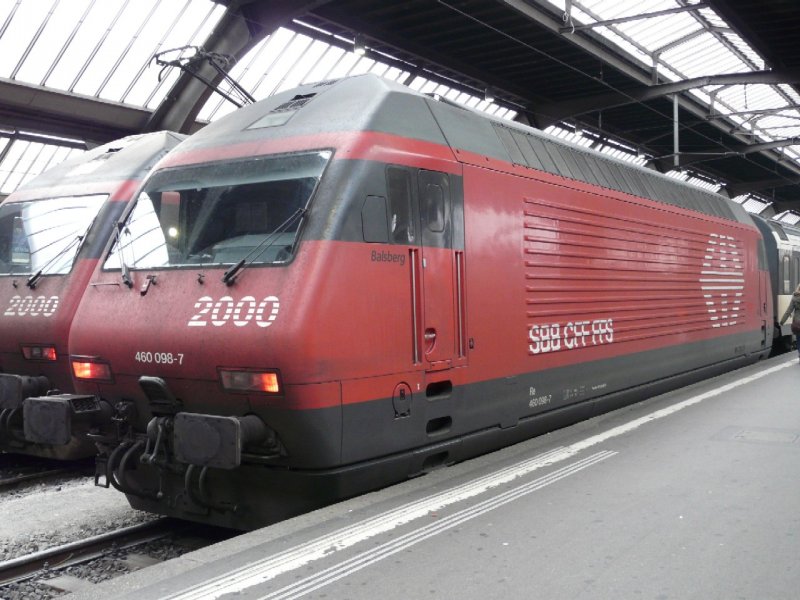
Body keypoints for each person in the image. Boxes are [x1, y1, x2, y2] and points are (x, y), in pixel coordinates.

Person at [779, 283, 800, 360]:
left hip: (797, 323)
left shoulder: (795, 298)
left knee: (798, 339)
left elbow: (788, 311)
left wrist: (782, 322)